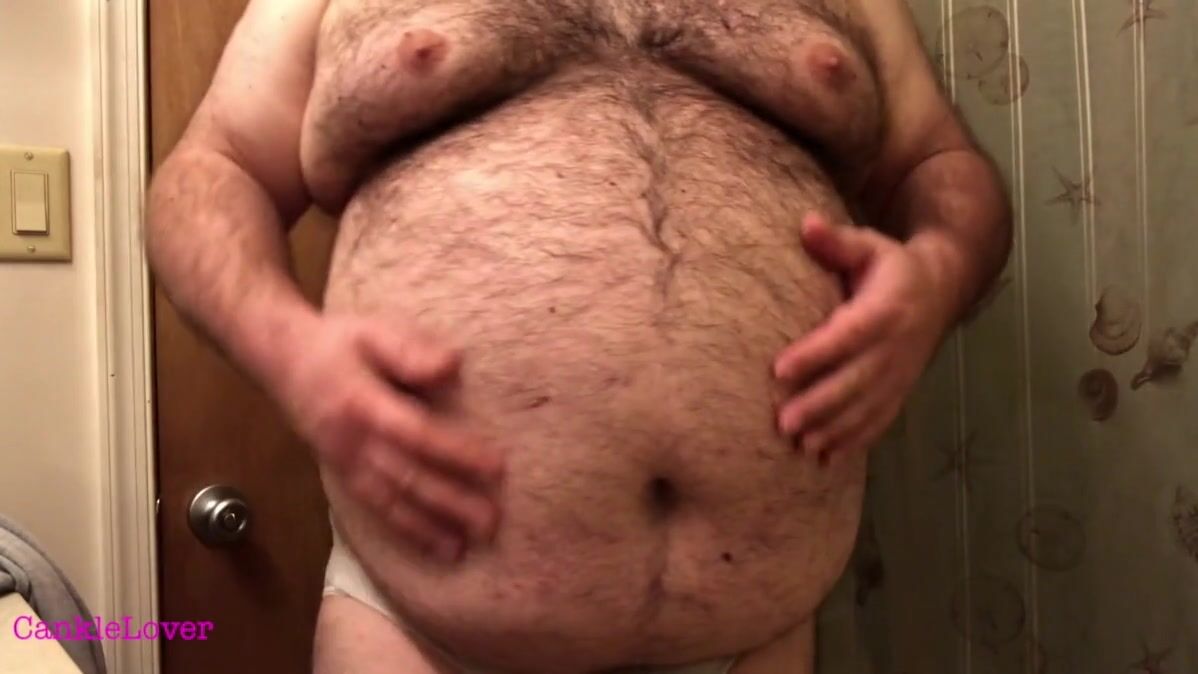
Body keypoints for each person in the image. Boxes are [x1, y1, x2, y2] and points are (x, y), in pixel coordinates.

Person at [146, 1, 1011, 672]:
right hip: (418, 632)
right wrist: (287, 349)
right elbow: (213, 170)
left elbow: (939, 166)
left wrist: (936, 273)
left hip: (756, 634)